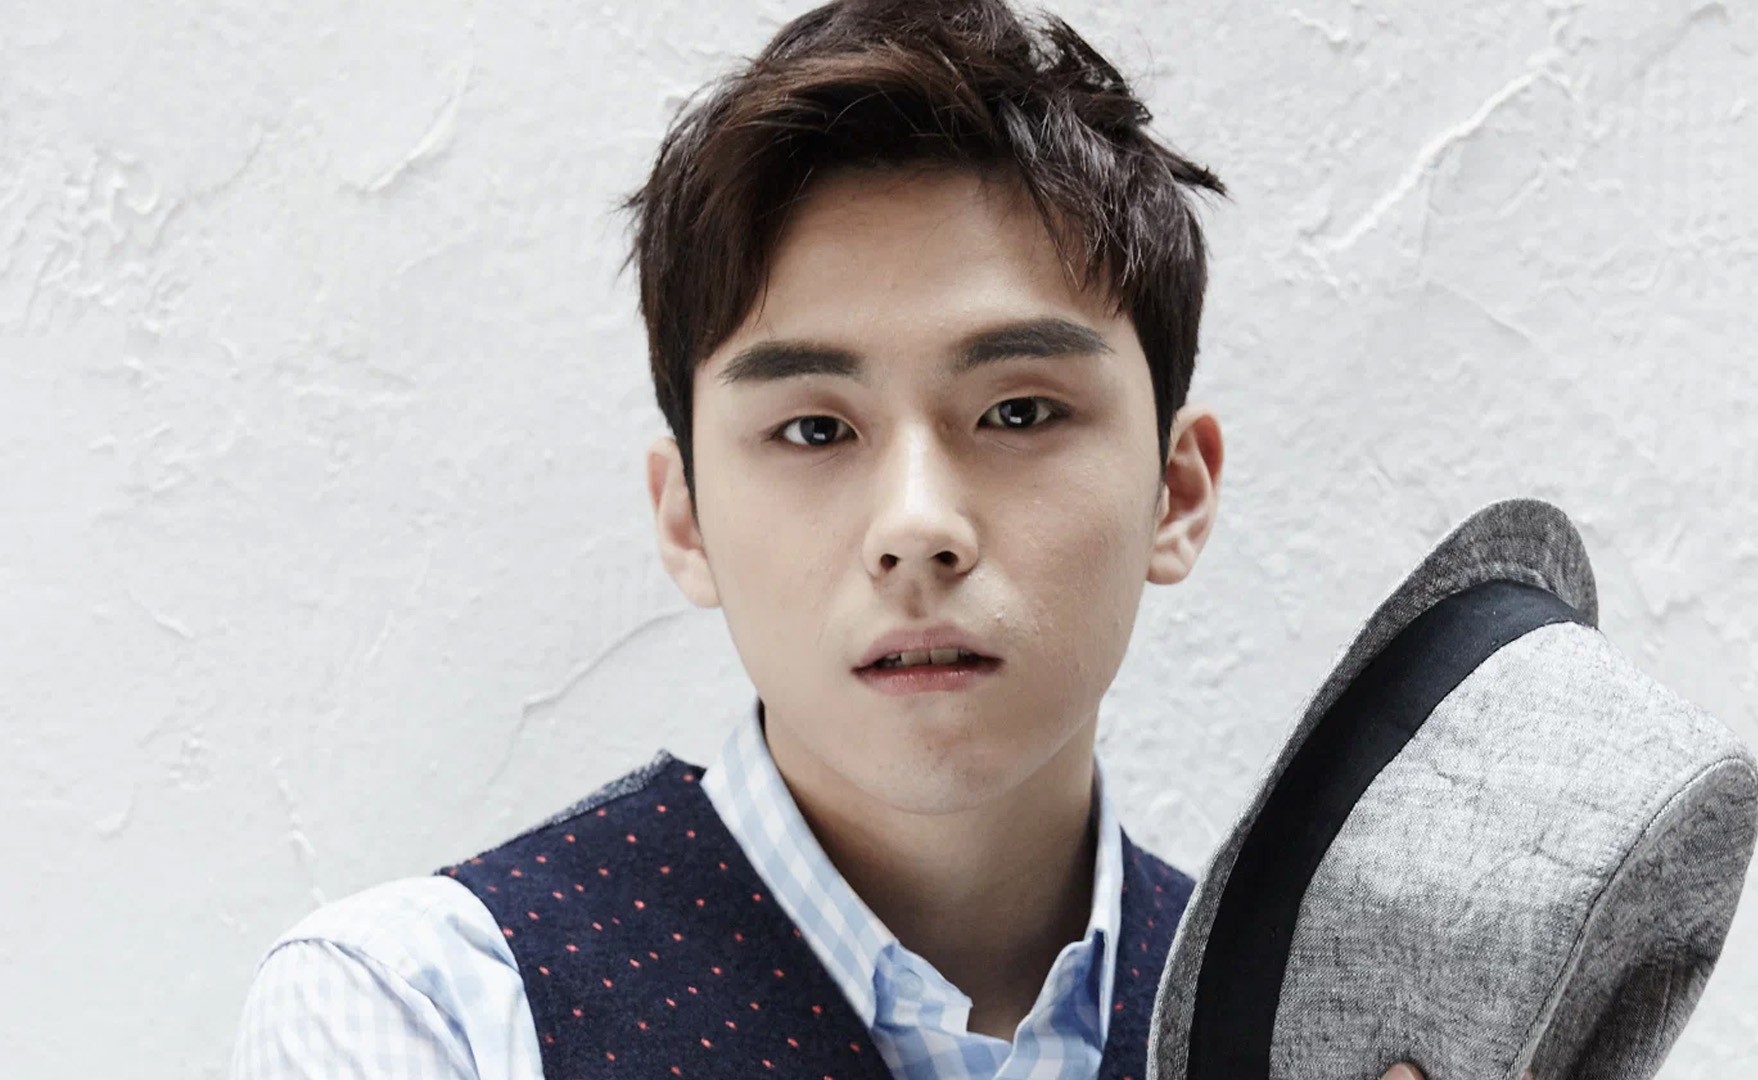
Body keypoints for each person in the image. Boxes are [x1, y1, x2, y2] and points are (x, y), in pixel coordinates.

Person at [230, 2, 1522, 1078]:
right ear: (686, 515)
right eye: (813, 429)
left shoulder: (1318, 1043)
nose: (916, 527)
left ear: (1175, 494)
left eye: (1019, 412)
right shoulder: (428, 1008)